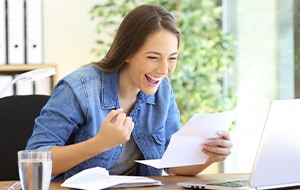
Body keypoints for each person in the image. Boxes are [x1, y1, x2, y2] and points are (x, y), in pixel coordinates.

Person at [26, 4, 232, 180]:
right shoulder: (79, 88)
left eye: (172, 58)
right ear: (128, 53)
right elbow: (32, 166)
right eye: (153, 57)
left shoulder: (162, 90)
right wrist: (100, 143)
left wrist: (210, 156)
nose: (163, 70)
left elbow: (173, 163)